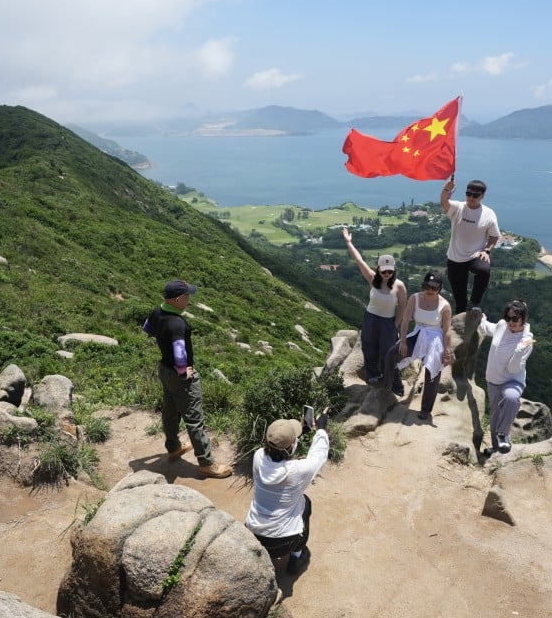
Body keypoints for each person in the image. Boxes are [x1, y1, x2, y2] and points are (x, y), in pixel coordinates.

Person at [142, 279, 232, 478]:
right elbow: (180, 352)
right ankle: (206, 463)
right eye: (187, 296)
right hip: (179, 375)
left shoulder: (158, 311)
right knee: (194, 419)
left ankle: (173, 447)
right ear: (177, 299)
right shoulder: (176, 323)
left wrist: (162, 340)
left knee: (170, 410)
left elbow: (147, 328)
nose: (189, 299)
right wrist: (183, 371)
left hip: (165, 370)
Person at [244, 407, 330, 575]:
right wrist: (321, 429)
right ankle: (297, 556)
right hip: (283, 542)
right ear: (292, 446)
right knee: (306, 504)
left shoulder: (258, 456)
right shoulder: (298, 470)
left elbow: (279, 451)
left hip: (254, 534)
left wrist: (300, 431)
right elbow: (319, 454)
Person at [341, 226, 407, 384]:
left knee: (387, 351)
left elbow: (403, 308)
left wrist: (395, 325)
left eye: (390, 272)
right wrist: (348, 242)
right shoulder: (372, 278)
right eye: (384, 271)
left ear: (394, 270)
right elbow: (359, 260)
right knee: (369, 348)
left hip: (388, 321)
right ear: (378, 269)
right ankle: (372, 376)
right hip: (370, 318)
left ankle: (389, 379)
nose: (387, 274)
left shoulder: (399, 286)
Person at [383, 270, 453, 419]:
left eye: (434, 288)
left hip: (435, 338)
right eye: (427, 286)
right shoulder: (415, 298)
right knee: (392, 353)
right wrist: (402, 341)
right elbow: (406, 319)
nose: (430, 290)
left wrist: (447, 350)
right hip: (418, 333)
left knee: (432, 371)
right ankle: (391, 388)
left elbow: (447, 330)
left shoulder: (445, 305)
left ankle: (426, 409)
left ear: (439, 288)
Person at [480, 300, 535, 455]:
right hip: (493, 379)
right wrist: (481, 320)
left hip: (512, 381)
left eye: (515, 319)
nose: (510, 322)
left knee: (511, 398)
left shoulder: (526, 341)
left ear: (524, 319)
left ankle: (503, 434)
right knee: (495, 416)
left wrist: (519, 351)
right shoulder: (502, 326)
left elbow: (513, 368)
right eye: (508, 317)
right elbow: (489, 328)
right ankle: (496, 448)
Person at [440, 178, 500, 315]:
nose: (470, 197)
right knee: (460, 301)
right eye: (468, 193)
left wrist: (487, 250)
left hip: (475, 255)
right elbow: (444, 203)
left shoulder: (489, 214)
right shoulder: (458, 207)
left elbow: (494, 236)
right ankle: (461, 326)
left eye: (475, 195)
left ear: (482, 196)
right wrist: (446, 189)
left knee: (484, 270)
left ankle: (475, 302)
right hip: (455, 258)